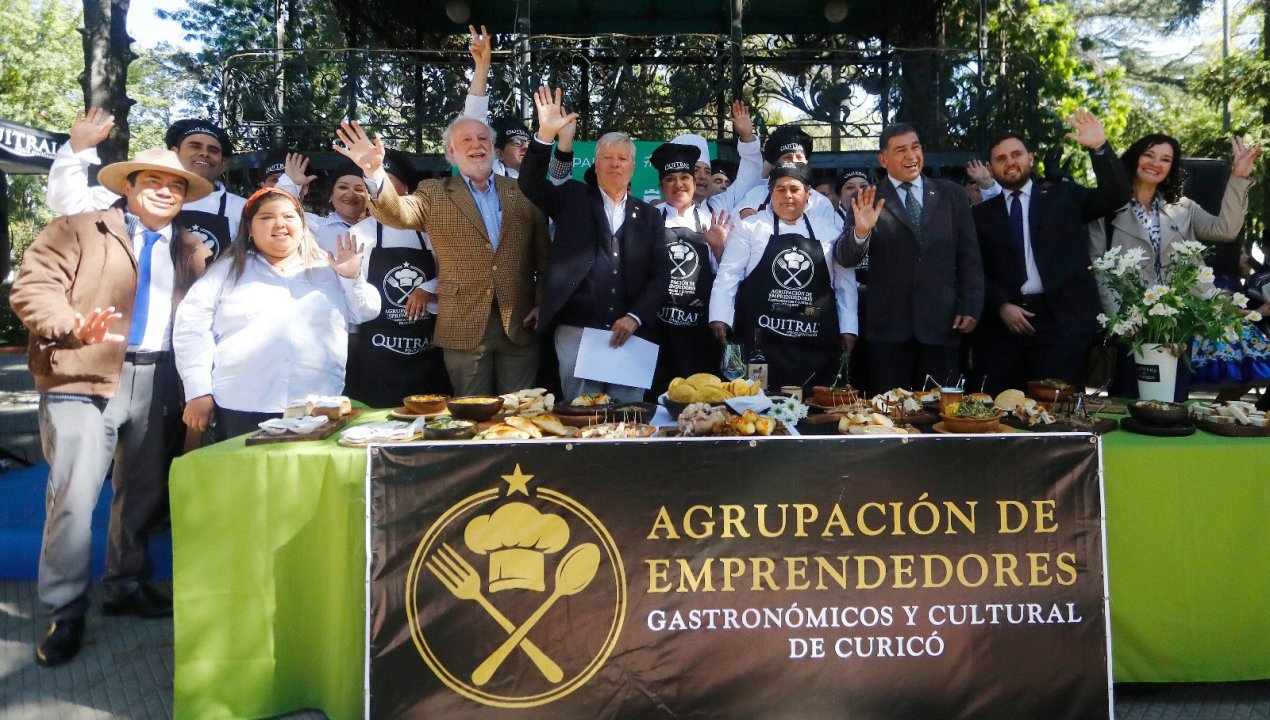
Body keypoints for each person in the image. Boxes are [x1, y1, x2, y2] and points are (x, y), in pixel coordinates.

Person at [10, 148, 215, 667]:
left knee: (143, 492)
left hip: (159, 378)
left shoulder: (191, 248)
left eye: (176, 185)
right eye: (153, 181)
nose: (165, 190)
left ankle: (126, 584)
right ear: (128, 186)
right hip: (81, 372)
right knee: (74, 497)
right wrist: (70, 325)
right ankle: (65, 610)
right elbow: (34, 287)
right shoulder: (78, 228)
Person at [336, 116, 550, 397]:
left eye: (483, 138)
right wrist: (374, 172)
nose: (476, 145)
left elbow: (545, 260)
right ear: (451, 151)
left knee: (520, 412)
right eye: (466, 140)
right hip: (463, 327)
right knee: (471, 413)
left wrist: (542, 302)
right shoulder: (434, 192)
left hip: (520, 325)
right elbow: (395, 213)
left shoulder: (522, 192)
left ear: (493, 146)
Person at [174, 188, 380, 440]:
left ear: (302, 225)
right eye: (266, 217)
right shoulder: (225, 272)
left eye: (289, 217)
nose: (280, 224)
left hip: (317, 406)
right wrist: (198, 391)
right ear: (249, 229)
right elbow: (191, 328)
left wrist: (352, 277)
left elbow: (365, 312)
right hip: (240, 406)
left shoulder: (330, 270)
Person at [520, 85, 671, 403]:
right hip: (578, 331)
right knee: (581, 415)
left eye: (623, 159)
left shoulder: (650, 216)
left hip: (632, 334)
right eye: (608, 158)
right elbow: (531, 183)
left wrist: (635, 317)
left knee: (628, 418)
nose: (615, 164)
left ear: (633, 167)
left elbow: (660, 276)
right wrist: (546, 135)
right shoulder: (572, 198)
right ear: (596, 164)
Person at [1087, 133, 1259, 399]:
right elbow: (1099, 267)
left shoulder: (1183, 207)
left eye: (1165, 159)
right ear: (1134, 158)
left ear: (1172, 167)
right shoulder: (1106, 208)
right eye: (1149, 155)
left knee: (1173, 403)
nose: (1155, 164)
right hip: (1131, 325)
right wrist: (1119, 322)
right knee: (1129, 402)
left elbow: (1225, 229)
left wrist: (1239, 177)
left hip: (1176, 324)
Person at [971, 110, 1130, 395]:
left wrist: (1099, 148)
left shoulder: (1063, 198)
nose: (1010, 162)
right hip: (1003, 329)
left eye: (1016, 154)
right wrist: (1001, 304)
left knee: (1058, 410)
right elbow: (974, 268)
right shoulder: (980, 215)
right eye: (1001, 158)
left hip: (1061, 324)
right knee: (1001, 411)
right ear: (991, 168)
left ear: (1030, 158)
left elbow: (1116, 196)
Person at [837, 123, 984, 392]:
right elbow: (846, 258)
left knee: (941, 411)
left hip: (943, 328)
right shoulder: (867, 198)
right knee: (890, 413)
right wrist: (861, 231)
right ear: (883, 160)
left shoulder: (952, 195)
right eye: (901, 150)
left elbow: (970, 259)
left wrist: (971, 305)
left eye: (915, 147)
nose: (911, 155)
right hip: (888, 334)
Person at [708, 161, 859, 392]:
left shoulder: (829, 230)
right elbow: (728, 274)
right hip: (761, 337)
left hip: (814, 338)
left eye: (794, 189)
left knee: (814, 402)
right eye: (780, 189)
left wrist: (849, 326)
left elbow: (844, 283)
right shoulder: (750, 227)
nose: (787, 195)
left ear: (808, 194)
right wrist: (720, 316)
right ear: (770, 193)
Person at [47, 111, 247, 259]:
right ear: (174, 152)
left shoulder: (241, 209)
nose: (204, 153)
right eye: (194, 146)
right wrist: (78, 148)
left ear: (222, 163)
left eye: (213, 150)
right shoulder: (128, 197)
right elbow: (67, 202)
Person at [344, 150, 451, 406]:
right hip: (378, 350)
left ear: (406, 189)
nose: (380, 192)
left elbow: (451, 271)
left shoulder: (430, 232)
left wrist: (429, 287)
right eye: (373, 184)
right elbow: (352, 288)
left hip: (426, 348)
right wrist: (353, 333)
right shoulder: (359, 234)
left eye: (388, 183)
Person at [648, 141, 733, 393]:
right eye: (670, 179)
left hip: (699, 331)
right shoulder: (649, 219)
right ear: (661, 186)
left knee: (702, 399)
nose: (679, 184)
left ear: (694, 183)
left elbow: (727, 275)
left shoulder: (711, 220)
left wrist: (718, 248)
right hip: (657, 331)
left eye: (685, 177)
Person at [275, 153, 369, 250]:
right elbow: (277, 213)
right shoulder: (312, 226)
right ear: (331, 195)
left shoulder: (378, 228)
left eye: (359, 189)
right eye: (343, 187)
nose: (350, 194)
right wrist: (289, 184)